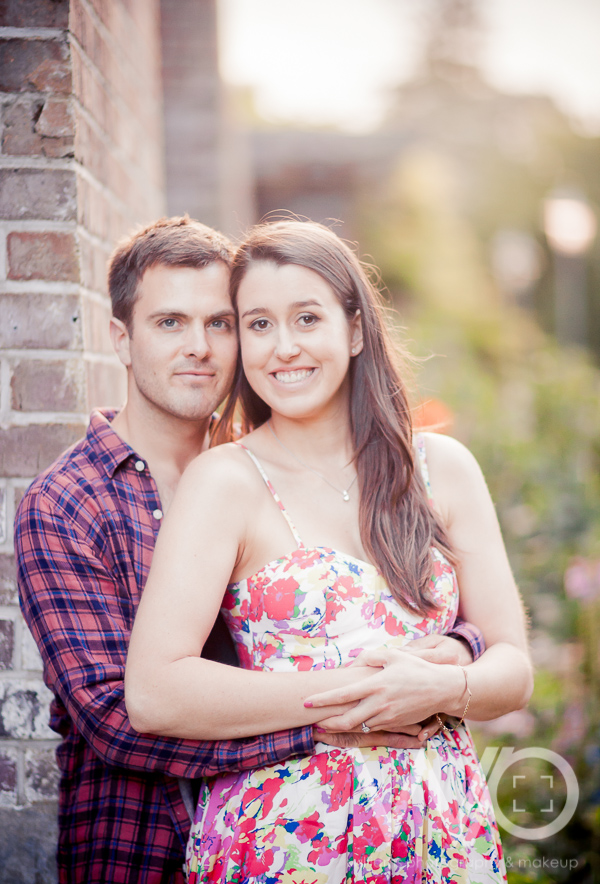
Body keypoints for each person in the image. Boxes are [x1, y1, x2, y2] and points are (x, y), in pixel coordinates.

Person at [15, 215, 482, 884]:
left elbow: (368, 614)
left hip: (308, 842)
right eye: (170, 323)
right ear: (121, 339)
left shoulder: (271, 469)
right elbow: (119, 718)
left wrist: (456, 650)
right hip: (141, 847)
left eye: (222, 324)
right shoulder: (67, 505)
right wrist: (339, 723)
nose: (199, 347)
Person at [125, 219, 533, 883]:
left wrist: (445, 685)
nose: (283, 347)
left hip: (440, 828)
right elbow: (155, 691)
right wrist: (369, 690)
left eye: (306, 318)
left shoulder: (442, 468)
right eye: (258, 324)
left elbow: (512, 668)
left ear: (355, 329)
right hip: (285, 837)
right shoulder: (225, 481)